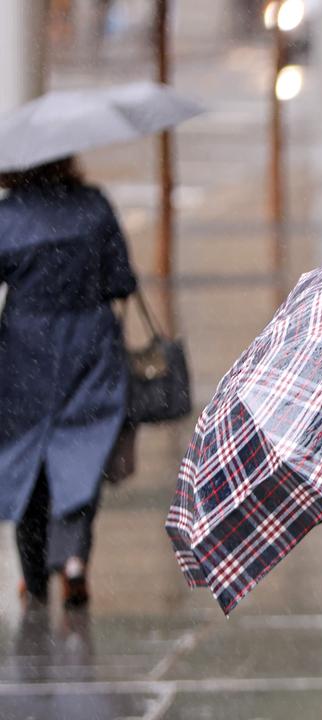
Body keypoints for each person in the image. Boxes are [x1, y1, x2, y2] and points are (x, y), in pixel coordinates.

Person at [0, 156, 137, 608]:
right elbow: (121, 280)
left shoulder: (9, 216)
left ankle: (34, 576)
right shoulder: (93, 207)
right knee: (82, 451)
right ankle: (74, 558)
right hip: (89, 345)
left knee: (28, 456)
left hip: (25, 351)